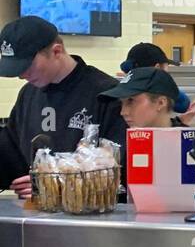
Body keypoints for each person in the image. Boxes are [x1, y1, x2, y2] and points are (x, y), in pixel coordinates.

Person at [0, 16, 127, 199]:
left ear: (57, 51)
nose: (22, 75)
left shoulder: (106, 94)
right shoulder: (28, 94)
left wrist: (54, 184)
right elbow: (12, 153)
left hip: (91, 217)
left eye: (27, 66)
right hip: (37, 216)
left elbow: (115, 166)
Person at [119, 42, 195, 124]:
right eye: (166, 69)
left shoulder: (121, 90)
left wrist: (179, 121)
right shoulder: (153, 92)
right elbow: (183, 104)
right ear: (158, 68)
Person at [98, 68, 183, 129]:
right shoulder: (117, 142)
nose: (123, 112)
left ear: (160, 103)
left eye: (131, 101)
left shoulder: (188, 146)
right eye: (121, 103)